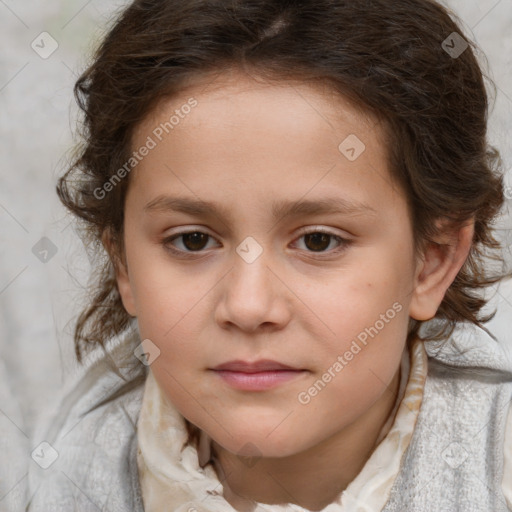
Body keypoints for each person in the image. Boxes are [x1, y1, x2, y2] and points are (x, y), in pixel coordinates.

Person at [26, 0, 512, 510]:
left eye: (318, 241)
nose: (249, 307)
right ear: (123, 263)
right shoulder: (72, 473)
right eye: (192, 240)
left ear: (432, 262)